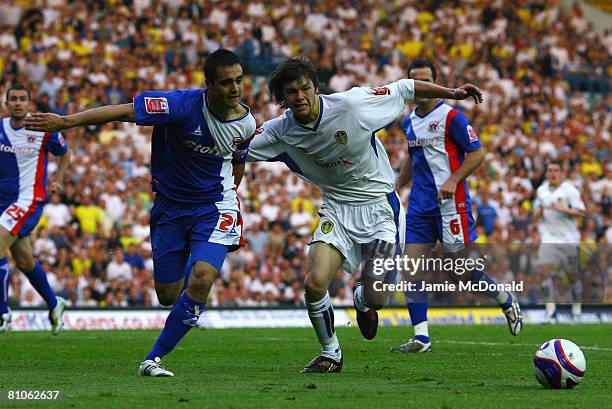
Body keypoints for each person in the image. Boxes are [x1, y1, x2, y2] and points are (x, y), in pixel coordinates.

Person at [24, 49, 256, 377]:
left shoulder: (246, 122)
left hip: (214, 207)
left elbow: (238, 161)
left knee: (202, 278)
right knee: (167, 294)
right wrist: (68, 122)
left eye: (239, 80)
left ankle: (154, 358)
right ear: (208, 84)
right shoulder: (178, 106)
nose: (235, 89)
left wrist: (230, 193)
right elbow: (122, 112)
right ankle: (195, 262)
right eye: (226, 83)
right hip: (170, 208)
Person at [246, 56, 483, 373]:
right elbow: (234, 146)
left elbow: (405, 87)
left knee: (376, 298)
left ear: (315, 88)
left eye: (305, 88)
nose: (299, 96)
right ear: (283, 97)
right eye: (292, 92)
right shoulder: (280, 131)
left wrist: (452, 93)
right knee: (314, 283)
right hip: (337, 209)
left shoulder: (352, 105)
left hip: (379, 209)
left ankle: (362, 299)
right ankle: (331, 354)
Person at [392, 59, 522, 353]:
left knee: (458, 272)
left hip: (451, 205)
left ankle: (504, 297)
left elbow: (477, 154)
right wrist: (396, 184)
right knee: (411, 269)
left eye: (428, 81)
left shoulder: (452, 118)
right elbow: (414, 159)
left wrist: (452, 181)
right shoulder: (408, 122)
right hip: (420, 208)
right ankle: (421, 337)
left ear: (436, 83)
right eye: (417, 82)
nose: (424, 88)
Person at [0, 83, 70, 334]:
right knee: (25, 261)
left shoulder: (42, 129)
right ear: (6, 104)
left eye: (22, 99)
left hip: (28, 201)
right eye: (13, 99)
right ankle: (54, 304)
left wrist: (59, 179)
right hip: (3, 204)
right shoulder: (0, 129)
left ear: (29, 103)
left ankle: (2, 313)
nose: (18, 103)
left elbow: (64, 152)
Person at [533, 160, 586, 322]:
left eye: (556, 170)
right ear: (547, 173)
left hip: (568, 239)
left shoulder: (570, 191)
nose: (553, 173)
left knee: (573, 277)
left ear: (562, 173)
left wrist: (561, 209)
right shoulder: (541, 191)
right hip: (549, 238)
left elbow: (581, 212)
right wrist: (539, 211)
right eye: (550, 170)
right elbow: (536, 215)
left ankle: (576, 311)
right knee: (543, 272)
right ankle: (551, 312)